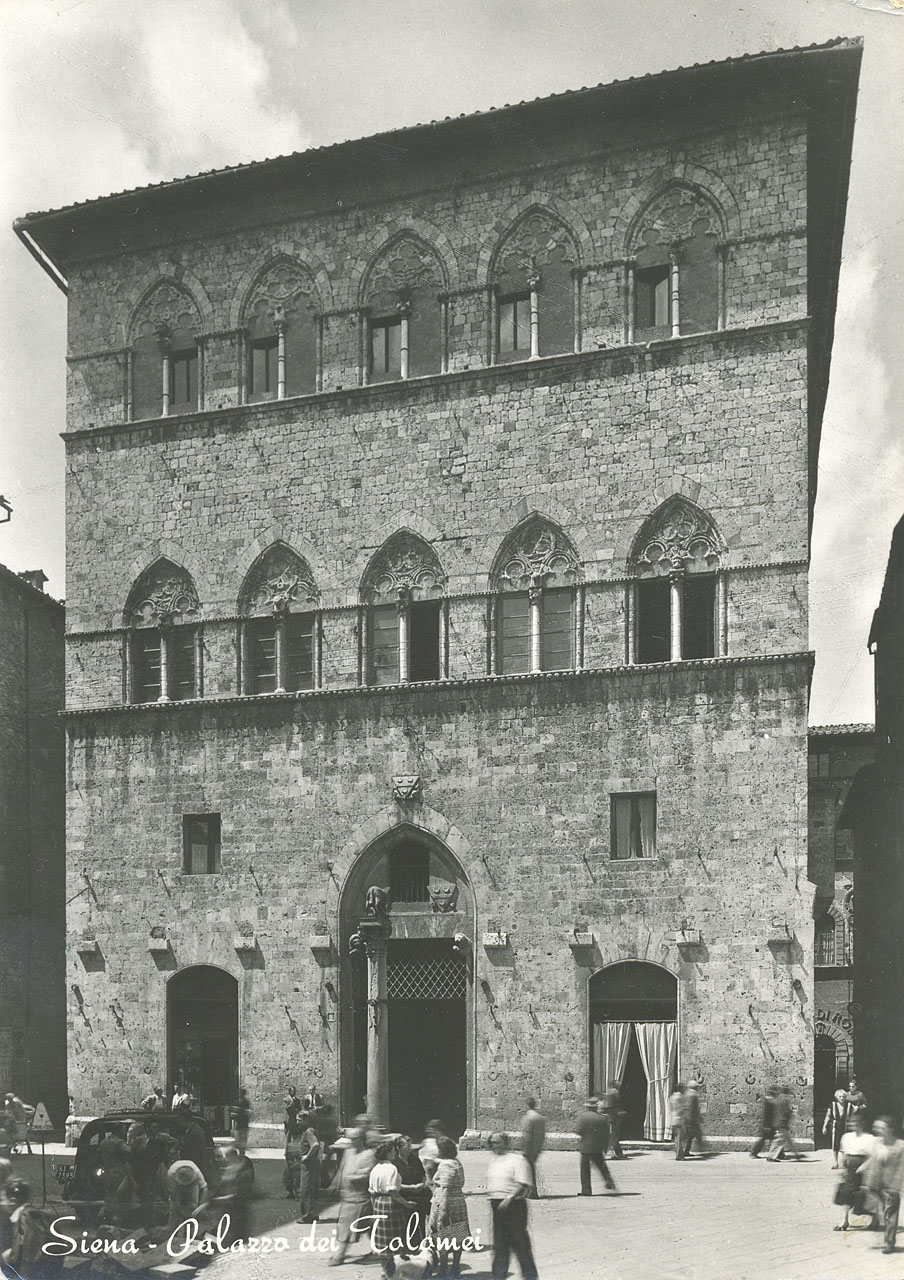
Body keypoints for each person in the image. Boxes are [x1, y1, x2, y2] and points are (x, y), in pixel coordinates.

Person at [487, 1132, 539, 1280]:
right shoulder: (494, 1161)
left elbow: (522, 1183)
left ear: (506, 1143)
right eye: (493, 1143)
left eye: (498, 1142)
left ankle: (530, 1277)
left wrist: (509, 1198)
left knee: (520, 1245)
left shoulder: (517, 1159)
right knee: (500, 1246)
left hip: (514, 1205)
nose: (495, 1146)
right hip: (496, 1204)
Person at [329, 1126, 375, 1267]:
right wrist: (335, 1183)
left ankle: (340, 1255)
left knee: (349, 1226)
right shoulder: (349, 1151)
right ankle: (378, 1249)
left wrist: (355, 1177)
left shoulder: (370, 1154)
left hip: (360, 1197)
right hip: (348, 1196)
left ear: (361, 1140)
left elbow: (370, 1174)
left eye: (354, 1139)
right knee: (367, 1225)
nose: (351, 1142)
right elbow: (342, 1168)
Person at [368, 1139, 414, 1278]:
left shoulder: (375, 1168)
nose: (395, 1153)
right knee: (394, 1238)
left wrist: (374, 1208)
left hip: (377, 1202)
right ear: (388, 1153)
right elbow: (393, 1191)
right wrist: (406, 1204)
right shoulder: (391, 1168)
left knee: (382, 1240)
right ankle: (396, 1271)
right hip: (390, 1204)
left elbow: (371, 1191)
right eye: (393, 1151)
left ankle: (384, 1271)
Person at [1, 1176, 63, 1278]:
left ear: (12, 1199)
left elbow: (29, 1254)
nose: (1, 1203)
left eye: (2, 1199)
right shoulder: (32, 1215)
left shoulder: (26, 1218)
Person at [428, 1136, 469, 1279]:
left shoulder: (445, 1165)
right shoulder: (455, 1162)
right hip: (458, 1202)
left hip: (446, 1202)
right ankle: (456, 1266)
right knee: (457, 1234)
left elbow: (445, 1187)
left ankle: (444, 1269)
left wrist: (443, 1209)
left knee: (443, 1235)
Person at [861, 1116, 904, 1254]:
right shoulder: (877, 1143)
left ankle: (889, 1243)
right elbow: (873, 1162)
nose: (877, 1130)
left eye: (881, 1127)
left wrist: (895, 1186)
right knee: (883, 1213)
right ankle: (885, 1235)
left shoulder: (900, 1145)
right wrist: (867, 1182)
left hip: (891, 1186)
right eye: (876, 1127)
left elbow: (901, 1168)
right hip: (877, 1183)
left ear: (890, 1129)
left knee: (891, 1215)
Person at [833, 1111, 877, 1232]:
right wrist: (843, 1166)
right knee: (846, 1192)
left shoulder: (870, 1138)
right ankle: (844, 1220)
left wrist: (864, 1166)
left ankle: (875, 1218)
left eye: (856, 1122)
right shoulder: (847, 1137)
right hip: (850, 1167)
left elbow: (873, 1156)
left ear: (862, 1123)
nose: (853, 1124)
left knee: (863, 1196)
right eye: (851, 1122)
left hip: (863, 1167)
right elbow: (845, 1153)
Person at [392, 1134, 430, 1248]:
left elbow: (423, 1174)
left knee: (420, 1222)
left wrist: (423, 1184)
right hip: (404, 1198)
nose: (409, 1149)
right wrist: (411, 1187)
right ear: (398, 1148)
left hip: (419, 1197)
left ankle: (421, 1246)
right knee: (407, 1224)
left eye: (410, 1146)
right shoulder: (394, 1162)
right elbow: (393, 1185)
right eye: (406, 1146)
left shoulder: (414, 1159)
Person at [213, 1145, 253, 1247]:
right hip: (228, 1207)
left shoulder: (242, 1170)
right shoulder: (228, 1168)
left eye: (220, 1156)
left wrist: (219, 1199)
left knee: (237, 1236)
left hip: (237, 1208)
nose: (218, 1159)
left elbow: (240, 1193)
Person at [575, 1098, 616, 1194]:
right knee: (601, 1166)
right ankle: (608, 1181)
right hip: (597, 1147)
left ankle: (586, 1190)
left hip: (585, 1147)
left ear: (588, 1107)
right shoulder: (602, 1118)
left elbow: (578, 1131)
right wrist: (605, 1148)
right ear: (596, 1107)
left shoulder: (582, 1116)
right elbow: (606, 1135)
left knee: (584, 1169)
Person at [98, 1128, 134, 1223]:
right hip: (118, 1171)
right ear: (119, 1131)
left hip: (107, 1171)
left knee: (109, 1194)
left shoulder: (103, 1142)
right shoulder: (119, 1142)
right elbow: (129, 1151)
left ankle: (108, 1215)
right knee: (120, 1195)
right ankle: (118, 1217)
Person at [165, 1159, 208, 1232]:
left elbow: (204, 1188)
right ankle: (171, 1232)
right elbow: (173, 1195)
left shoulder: (196, 1172)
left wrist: (200, 1207)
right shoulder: (171, 1174)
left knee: (192, 1207)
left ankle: (190, 1231)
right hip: (177, 1187)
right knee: (174, 1208)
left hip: (192, 1185)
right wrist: (180, 1209)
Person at [295, 1112, 322, 1224]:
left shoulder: (308, 1132)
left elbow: (315, 1145)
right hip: (313, 1164)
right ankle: (313, 1213)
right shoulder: (312, 1130)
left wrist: (307, 1156)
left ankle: (307, 1216)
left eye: (299, 1120)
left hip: (308, 1166)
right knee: (313, 1190)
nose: (297, 1123)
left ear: (306, 1120)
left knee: (305, 1191)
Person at [766, 1087, 802, 1162]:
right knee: (778, 1140)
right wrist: (791, 1114)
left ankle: (796, 1154)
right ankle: (771, 1157)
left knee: (788, 1140)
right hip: (782, 1123)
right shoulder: (785, 1100)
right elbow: (786, 1112)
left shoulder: (778, 1099)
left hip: (778, 1122)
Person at [520, 1098, 546, 1198]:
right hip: (537, 1147)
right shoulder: (540, 1118)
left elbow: (527, 1135)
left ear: (527, 1105)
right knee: (530, 1168)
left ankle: (532, 1191)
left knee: (528, 1169)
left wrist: (524, 1149)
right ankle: (529, 1190)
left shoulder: (528, 1118)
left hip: (529, 1148)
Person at [823, 1088, 848, 1169]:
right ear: (837, 1097)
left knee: (845, 1144)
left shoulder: (848, 1105)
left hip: (845, 1126)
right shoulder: (833, 1105)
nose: (842, 1098)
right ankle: (836, 1162)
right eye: (840, 1096)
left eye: (843, 1096)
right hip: (836, 1126)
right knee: (835, 1144)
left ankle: (844, 1162)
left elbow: (855, 1110)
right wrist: (824, 1126)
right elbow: (828, 1116)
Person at [750, 1086, 778, 1158]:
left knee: (768, 1139)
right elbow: (767, 1115)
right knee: (769, 1139)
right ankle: (754, 1153)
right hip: (768, 1125)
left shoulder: (768, 1101)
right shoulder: (769, 1102)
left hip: (768, 1125)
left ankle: (780, 1154)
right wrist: (767, 1125)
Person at [602, 1082, 626, 1160]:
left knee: (612, 1136)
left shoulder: (609, 1093)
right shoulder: (614, 1092)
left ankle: (616, 1153)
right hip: (613, 1118)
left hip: (610, 1117)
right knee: (613, 1136)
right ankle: (616, 1153)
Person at [419, 1119, 448, 1183]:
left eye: (432, 1131)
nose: (430, 1133)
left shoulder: (445, 1141)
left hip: (439, 1168)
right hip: (427, 1170)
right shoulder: (427, 1141)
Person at [682, 1081, 705, 1157]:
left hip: (686, 1117)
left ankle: (685, 1150)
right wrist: (696, 1117)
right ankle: (685, 1150)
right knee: (690, 1135)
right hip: (690, 1118)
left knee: (689, 1135)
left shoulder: (686, 1094)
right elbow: (692, 1108)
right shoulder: (693, 1095)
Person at [232, 1087, 251, 1157]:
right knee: (242, 1141)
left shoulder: (240, 1102)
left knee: (240, 1140)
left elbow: (236, 1114)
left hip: (240, 1125)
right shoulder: (246, 1102)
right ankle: (242, 1153)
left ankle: (241, 1154)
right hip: (244, 1125)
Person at [669, 1084, 686, 1160]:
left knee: (677, 1138)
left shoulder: (672, 1097)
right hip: (679, 1118)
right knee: (680, 1138)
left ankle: (678, 1153)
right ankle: (679, 1155)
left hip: (673, 1118)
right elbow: (682, 1108)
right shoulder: (680, 1097)